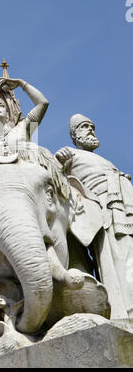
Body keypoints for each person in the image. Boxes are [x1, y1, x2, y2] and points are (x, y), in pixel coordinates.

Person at [55, 114, 133, 319]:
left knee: (129, 250)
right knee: (114, 254)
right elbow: (55, 178)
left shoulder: (103, 159)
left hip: (124, 206)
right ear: (74, 135)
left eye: (92, 126)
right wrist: (60, 161)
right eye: (83, 127)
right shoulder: (71, 153)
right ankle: (124, 308)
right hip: (104, 208)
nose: (90, 130)